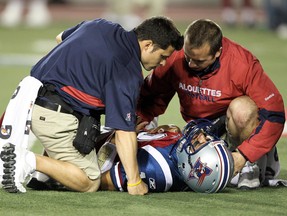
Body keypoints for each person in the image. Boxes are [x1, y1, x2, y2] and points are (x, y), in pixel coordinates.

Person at [0, 16, 183, 195]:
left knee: (87, 119)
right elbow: (123, 133)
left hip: (29, 97)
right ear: (148, 45)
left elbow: (60, 38)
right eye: (163, 56)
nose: (163, 63)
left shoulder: (101, 25)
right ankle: (25, 160)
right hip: (53, 114)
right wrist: (135, 182)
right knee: (89, 181)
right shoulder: (127, 71)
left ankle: (44, 175)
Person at [137, 19, 285, 189]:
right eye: (188, 57)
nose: (191, 64)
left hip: (234, 125)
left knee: (242, 110)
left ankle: (253, 163)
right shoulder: (176, 57)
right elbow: (151, 95)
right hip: (199, 127)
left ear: (217, 52)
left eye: (199, 61)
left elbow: (274, 113)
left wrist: (245, 154)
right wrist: (139, 125)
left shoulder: (242, 63)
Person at [26, 119, 234, 193]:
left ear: (195, 168)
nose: (196, 137)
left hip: (92, 151)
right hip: (112, 138)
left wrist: (122, 137)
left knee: (91, 179)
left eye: (199, 143)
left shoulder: (156, 169)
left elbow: (102, 179)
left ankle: (35, 163)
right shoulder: (179, 158)